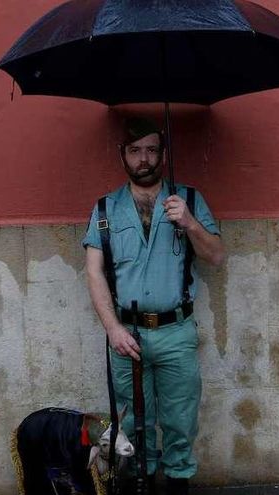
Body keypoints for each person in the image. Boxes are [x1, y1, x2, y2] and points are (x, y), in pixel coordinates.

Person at [83, 117, 225, 495]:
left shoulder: (188, 200)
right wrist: (112, 328)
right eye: (134, 151)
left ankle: (178, 483)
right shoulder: (104, 210)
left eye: (150, 149)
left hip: (176, 332)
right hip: (126, 334)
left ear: (162, 154)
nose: (143, 159)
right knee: (132, 421)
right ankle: (139, 481)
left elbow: (216, 256)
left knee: (180, 419)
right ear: (122, 156)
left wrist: (191, 223)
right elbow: (94, 274)